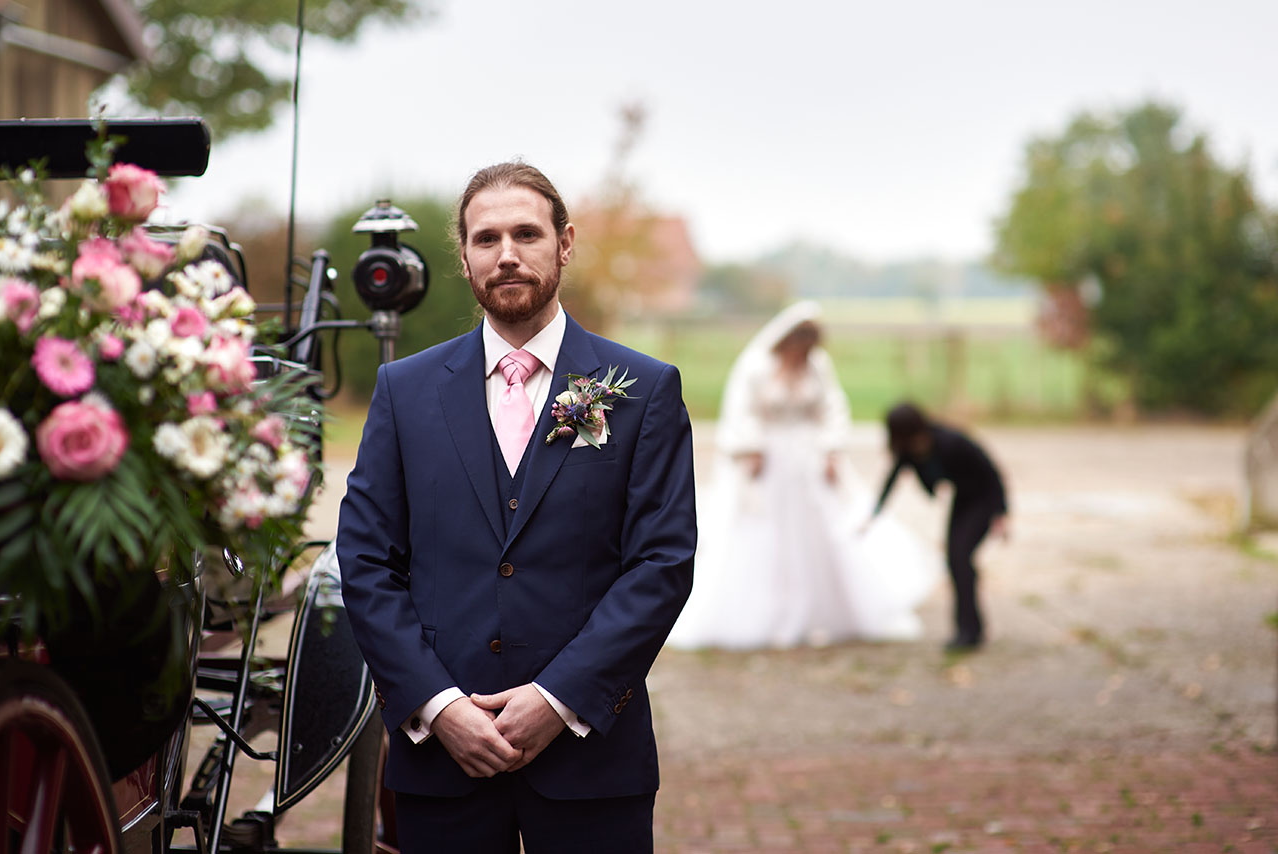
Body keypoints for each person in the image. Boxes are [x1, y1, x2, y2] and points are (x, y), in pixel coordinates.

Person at [336, 162, 697, 853]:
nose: (506, 254)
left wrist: (558, 700)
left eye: (526, 234)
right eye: (486, 238)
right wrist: (439, 708)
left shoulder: (643, 391)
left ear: (564, 243)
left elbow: (661, 565)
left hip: (592, 763)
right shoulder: (402, 392)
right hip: (443, 766)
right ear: (464, 257)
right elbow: (366, 562)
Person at [666, 302, 939, 651]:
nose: (805, 351)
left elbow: (833, 407)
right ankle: (774, 613)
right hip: (771, 460)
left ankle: (821, 612)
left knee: (816, 532)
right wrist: (751, 448)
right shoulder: (758, 366)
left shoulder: (818, 367)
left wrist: (831, 449)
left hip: (808, 459)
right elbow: (742, 410)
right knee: (769, 533)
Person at [864, 401, 1009, 652]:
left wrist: (1001, 512)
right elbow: (892, 479)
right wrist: (874, 514)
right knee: (956, 561)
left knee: (960, 557)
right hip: (963, 501)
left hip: (983, 500)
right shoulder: (908, 450)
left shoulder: (952, 441)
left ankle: (968, 631)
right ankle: (969, 629)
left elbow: (990, 470)